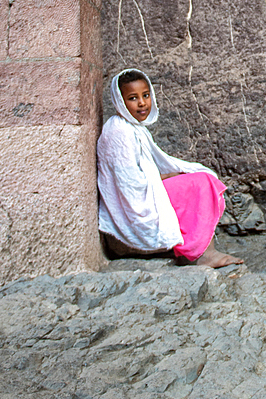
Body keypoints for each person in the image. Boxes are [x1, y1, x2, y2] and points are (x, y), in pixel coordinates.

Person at [97, 69, 243, 268]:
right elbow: (130, 186)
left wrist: (175, 175)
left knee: (200, 178)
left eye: (146, 95)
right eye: (133, 98)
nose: (142, 103)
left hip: (147, 192)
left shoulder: (134, 129)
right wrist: (171, 176)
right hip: (135, 207)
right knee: (200, 184)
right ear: (120, 101)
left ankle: (197, 249)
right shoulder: (118, 131)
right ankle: (203, 255)